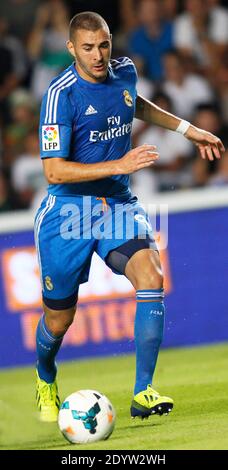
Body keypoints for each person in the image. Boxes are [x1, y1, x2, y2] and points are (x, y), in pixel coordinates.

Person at [35, 11, 225, 423]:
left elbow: (132, 104)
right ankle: (45, 374)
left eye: (104, 45)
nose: (99, 55)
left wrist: (189, 130)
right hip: (68, 211)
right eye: (88, 47)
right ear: (71, 49)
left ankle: (143, 391)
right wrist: (118, 164)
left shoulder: (124, 71)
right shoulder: (60, 95)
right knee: (59, 318)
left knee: (151, 275)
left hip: (117, 204)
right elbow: (54, 171)